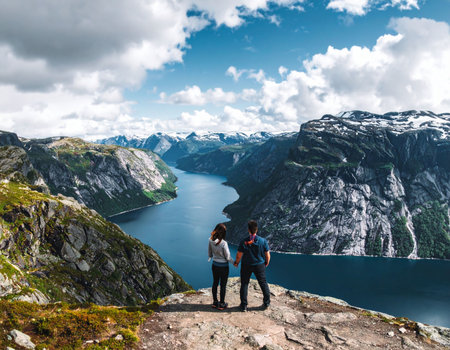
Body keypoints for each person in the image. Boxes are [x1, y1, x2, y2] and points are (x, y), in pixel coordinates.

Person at [234, 220, 271, 312]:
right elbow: (267, 254)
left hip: (246, 265)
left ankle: (243, 305)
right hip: (259, 264)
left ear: (248, 230)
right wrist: (266, 262)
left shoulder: (244, 241)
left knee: (244, 284)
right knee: (263, 283)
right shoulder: (263, 241)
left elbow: (239, 254)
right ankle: (266, 303)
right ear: (256, 230)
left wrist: (236, 262)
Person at [208, 223, 234, 310]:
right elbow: (227, 257)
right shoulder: (224, 243)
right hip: (223, 267)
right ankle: (222, 304)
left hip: (215, 265)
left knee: (215, 283)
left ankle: (215, 302)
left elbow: (209, 254)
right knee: (223, 285)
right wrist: (234, 262)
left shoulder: (210, 240)